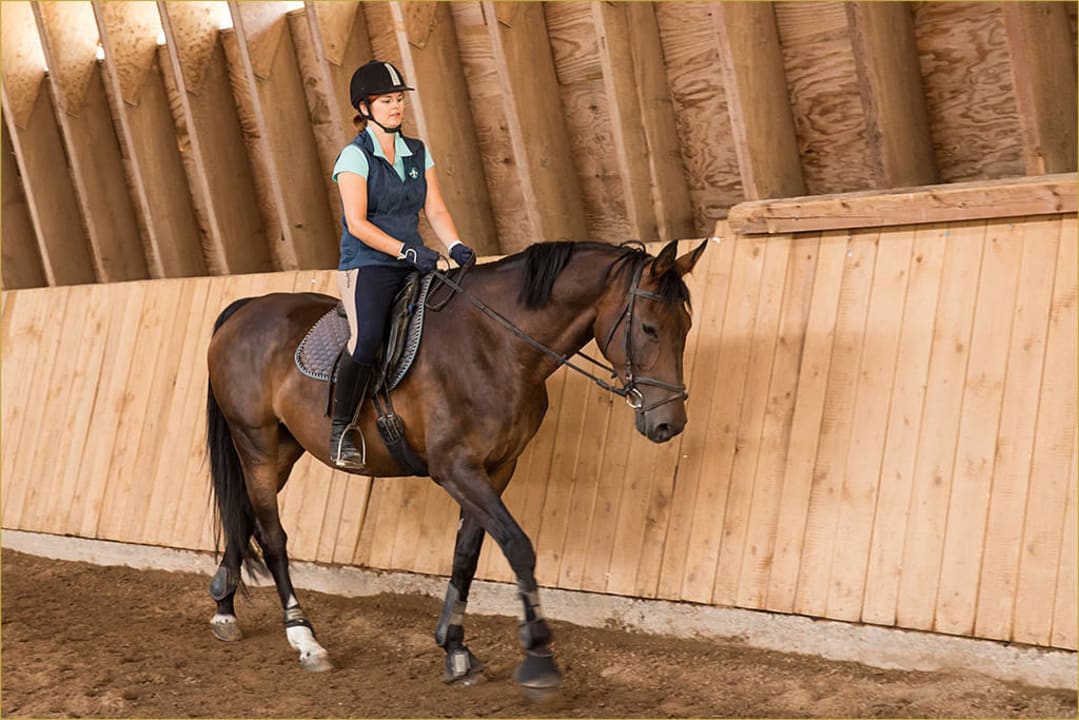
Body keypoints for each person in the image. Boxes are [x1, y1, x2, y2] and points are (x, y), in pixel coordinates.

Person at [330, 59, 475, 468]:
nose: (396, 107)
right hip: (369, 265)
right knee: (369, 337)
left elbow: (436, 210)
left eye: (399, 99)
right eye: (386, 101)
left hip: (415, 261)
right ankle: (341, 430)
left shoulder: (418, 152)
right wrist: (406, 251)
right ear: (364, 107)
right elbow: (357, 224)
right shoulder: (354, 158)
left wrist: (456, 244)